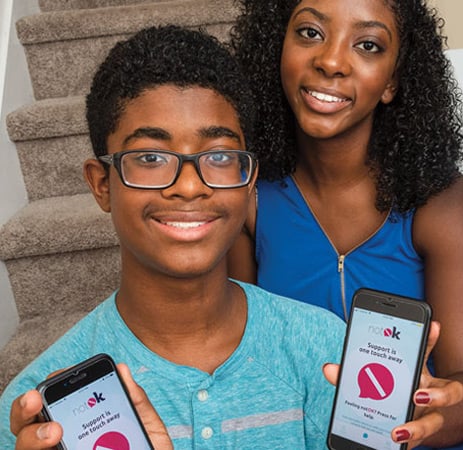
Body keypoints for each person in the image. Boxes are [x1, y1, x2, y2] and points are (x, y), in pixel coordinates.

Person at [228, 0, 463, 448]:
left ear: (391, 81)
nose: (331, 61)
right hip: (323, 411)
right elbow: (247, 359)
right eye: (310, 33)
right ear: (277, 48)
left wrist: (412, 427)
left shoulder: (444, 203)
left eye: (367, 44)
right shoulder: (248, 200)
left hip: (455, 404)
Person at [0, 25, 347, 450]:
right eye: (150, 157)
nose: (187, 186)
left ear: (249, 180)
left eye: (218, 155)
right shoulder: (38, 409)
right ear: (101, 185)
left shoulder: (325, 349)